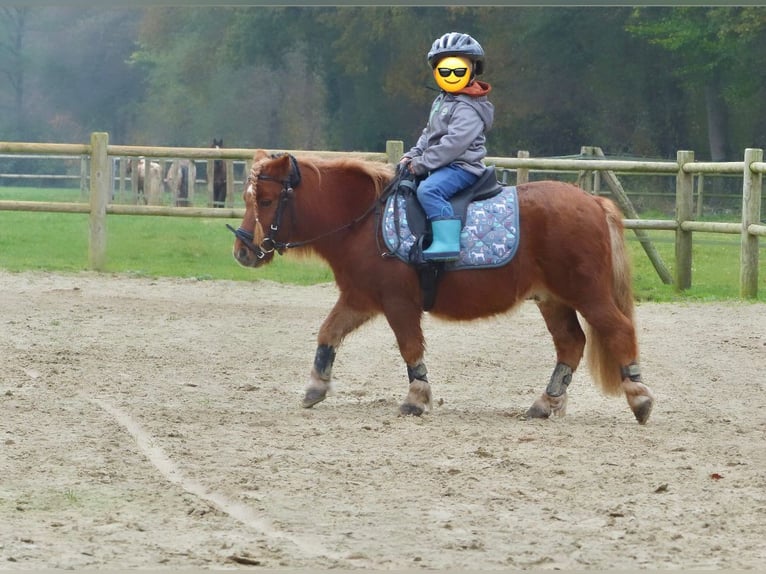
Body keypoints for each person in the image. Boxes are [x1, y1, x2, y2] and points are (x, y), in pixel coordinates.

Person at [399, 32, 494, 261]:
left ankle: (447, 242)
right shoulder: (442, 100)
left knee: (429, 190)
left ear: (472, 68)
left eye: (458, 67)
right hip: (442, 164)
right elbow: (429, 134)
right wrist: (411, 156)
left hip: (462, 167)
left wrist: (421, 164)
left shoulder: (469, 106)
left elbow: (453, 145)